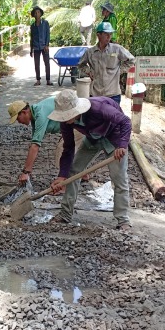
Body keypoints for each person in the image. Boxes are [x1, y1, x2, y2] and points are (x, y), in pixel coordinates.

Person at [47, 89, 132, 231]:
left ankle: (123, 220)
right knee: (73, 171)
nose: (64, 119)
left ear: (76, 111)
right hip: (93, 138)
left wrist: (122, 145)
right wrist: (62, 176)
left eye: (66, 115)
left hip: (114, 138)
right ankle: (65, 214)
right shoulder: (66, 123)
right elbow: (68, 148)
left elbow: (125, 122)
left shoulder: (99, 108)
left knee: (119, 178)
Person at [8, 98, 88, 193]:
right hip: (70, 126)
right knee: (70, 150)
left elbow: (35, 146)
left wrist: (26, 172)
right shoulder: (35, 116)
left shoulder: (40, 114)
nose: (18, 122)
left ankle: (64, 185)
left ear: (25, 112)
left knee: (62, 151)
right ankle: (83, 175)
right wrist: (27, 169)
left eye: (17, 118)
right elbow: (34, 144)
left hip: (78, 123)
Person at [77, 22, 135, 103]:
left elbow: (132, 60)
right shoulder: (90, 52)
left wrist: (120, 70)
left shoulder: (117, 49)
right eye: (106, 34)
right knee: (96, 115)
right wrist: (88, 72)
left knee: (112, 115)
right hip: (95, 94)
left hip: (113, 95)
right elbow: (80, 65)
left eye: (110, 34)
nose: (109, 36)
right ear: (98, 35)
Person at [29, 6, 52, 86]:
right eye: (35, 13)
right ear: (33, 15)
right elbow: (31, 37)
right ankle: (38, 80)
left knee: (47, 63)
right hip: (36, 46)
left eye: (38, 12)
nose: (37, 14)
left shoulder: (45, 23)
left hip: (44, 46)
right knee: (36, 64)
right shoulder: (33, 26)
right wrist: (31, 49)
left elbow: (47, 34)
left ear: (41, 14)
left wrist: (47, 45)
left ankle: (48, 80)